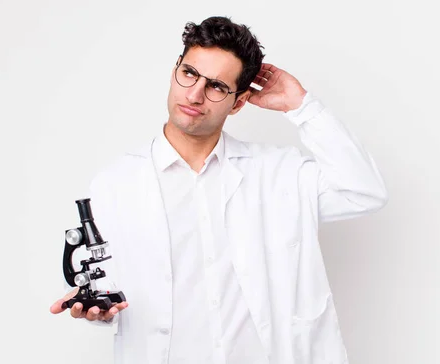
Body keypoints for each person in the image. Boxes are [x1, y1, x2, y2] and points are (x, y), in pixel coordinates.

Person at [50, 15, 387, 364]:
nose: (194, 94)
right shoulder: (116, 182)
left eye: (216, 87)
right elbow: (99, 283)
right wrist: (98, 310)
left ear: (238, 102)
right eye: (190, 74)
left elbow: (364, 192)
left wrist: (301, 107)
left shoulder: (278, 174)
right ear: (175, 71)